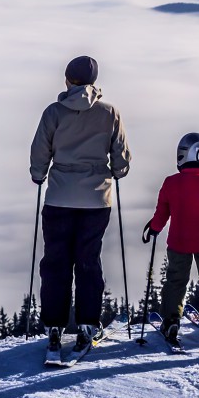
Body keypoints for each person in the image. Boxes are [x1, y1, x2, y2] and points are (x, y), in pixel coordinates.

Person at [30, 56, 131, 361]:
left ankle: (55, 327)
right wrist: (114, 172)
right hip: (96, 201)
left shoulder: (54, 112)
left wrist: (39, 175)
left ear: (67, 80)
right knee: (88, 262)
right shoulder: (109, 113)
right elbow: (122, 159)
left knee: (56, 262)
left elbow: (40, 151)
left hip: (59, 197)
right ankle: (87, 324)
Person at [145, 133, 199, 346]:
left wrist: (154, 229)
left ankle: (172, 321)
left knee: (176, 279)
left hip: (178, 241)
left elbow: (162, 213)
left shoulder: (171, 183)